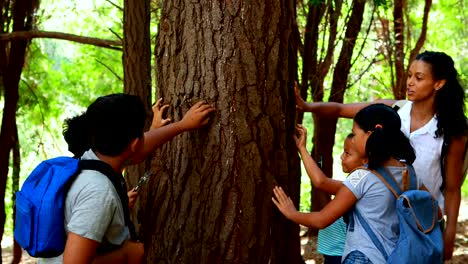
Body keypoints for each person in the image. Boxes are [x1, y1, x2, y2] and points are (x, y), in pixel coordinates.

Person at [294, 51, 467, 260]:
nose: (410, 82)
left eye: (419, 78)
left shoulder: (452, 131)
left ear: (438, 84)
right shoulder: (393, 110)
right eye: (410, 75)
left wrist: (449, 236)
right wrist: (307, 106)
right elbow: (341, 109)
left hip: (421, 221)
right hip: (382, 217)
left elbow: (452, 188)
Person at [40, 93, 215, 264]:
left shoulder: (93, 159)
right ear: (134, 144)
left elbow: (139, 150)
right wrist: (125, 256)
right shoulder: (99, 193)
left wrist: (182, 125)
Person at [273, 103, 433, 263]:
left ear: (371, 134)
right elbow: (436, 213)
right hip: (396, 257)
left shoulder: (362, 177)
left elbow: (322, 219)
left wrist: (292, 214)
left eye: (355, 134)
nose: (353, 140)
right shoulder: (410, 173)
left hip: (363, 257)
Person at [294, 132, 366, 263]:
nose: (341, 157)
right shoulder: (351, 185)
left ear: (365, 160)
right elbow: (321, 182)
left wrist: (291, 213)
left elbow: (321, 182)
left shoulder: (359, 187)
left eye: (347, 153)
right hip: (335, 252)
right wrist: (302, 148)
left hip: (341, 254)